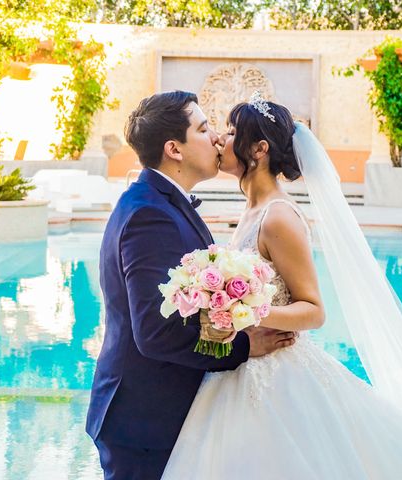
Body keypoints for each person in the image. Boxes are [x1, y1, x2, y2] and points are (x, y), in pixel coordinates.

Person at [161, 94, 402, 480]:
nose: (220, 140)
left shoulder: (279, 217)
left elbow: (313, 309)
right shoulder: (253, 210)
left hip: (278, 375)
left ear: (259, 149)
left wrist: (245, 312)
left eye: (230, 132)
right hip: (241, 365)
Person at [86, 91, 296, 480]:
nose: (216, 137)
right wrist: (246, 345)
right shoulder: (151, 215)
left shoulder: (161, 203)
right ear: (174, 149)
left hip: (159, 414)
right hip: (145, 420)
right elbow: (155, 333)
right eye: (203, 128)